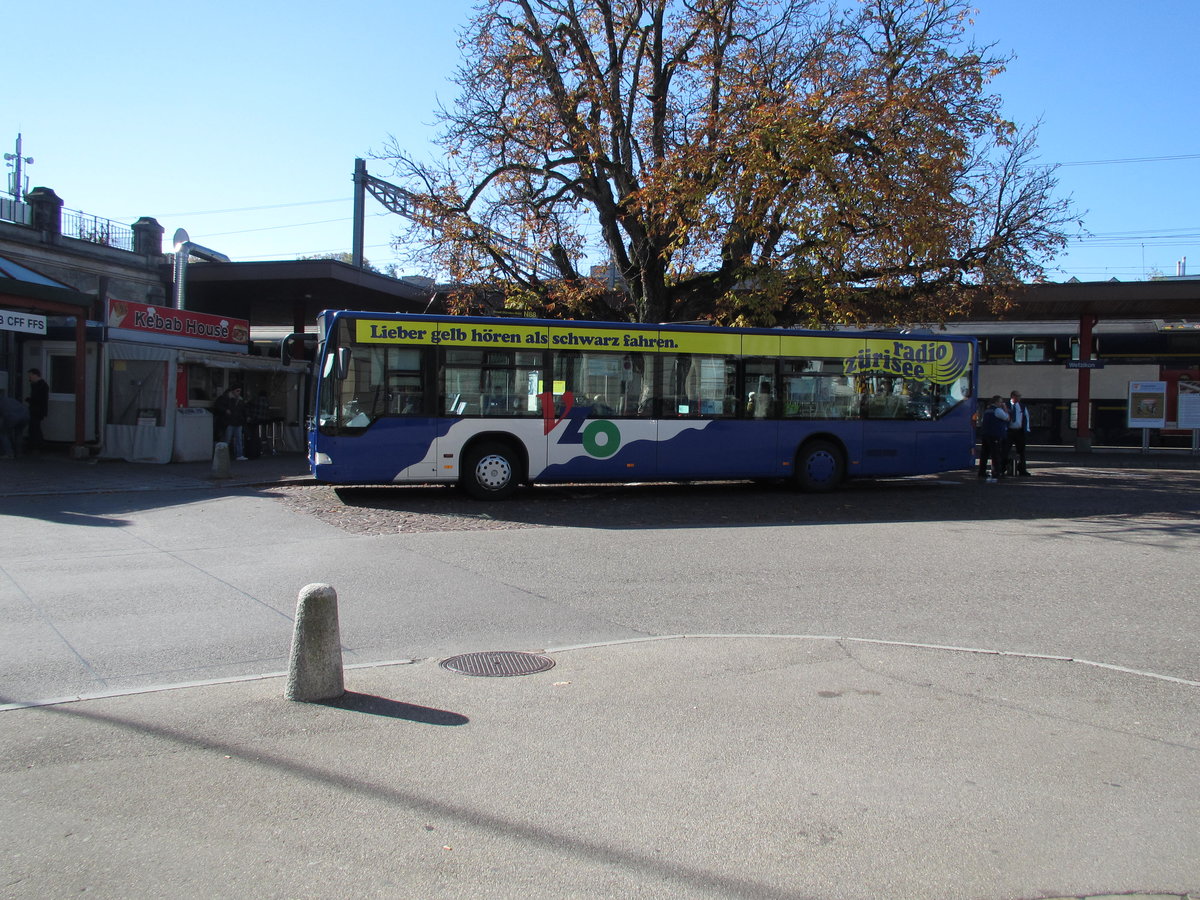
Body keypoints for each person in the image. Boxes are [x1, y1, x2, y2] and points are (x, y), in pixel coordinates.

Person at [978, 395, 1010, 483]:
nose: (1001, 403)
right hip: (995, 434)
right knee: (995, 454)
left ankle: (981, 471)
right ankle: (996, 472)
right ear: (996, 402)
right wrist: (1005, 408)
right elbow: (1007, 418)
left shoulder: (988, 410)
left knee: (984, 454)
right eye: (1000, 402)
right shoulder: (998, 410)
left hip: (986, 434)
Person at [214, 386, 248, 460]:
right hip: (229, 422)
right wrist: (225, 410)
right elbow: (218, 406)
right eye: (237, 391)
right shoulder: (226, 399)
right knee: (227, 439)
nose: (239, 393)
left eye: (239, 391)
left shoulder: (239, 400)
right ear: (232, 391)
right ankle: (224, 455)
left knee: (238, 439)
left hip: (237, 422)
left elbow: (243, 411)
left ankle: (239, 455)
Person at [1007, 390, 1031, 476]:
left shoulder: (1022, 406)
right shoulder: (1006, 405)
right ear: (1013, 396)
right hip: (1009, 431)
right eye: (1018, 396)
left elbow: (1026, 417)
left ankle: (1022, 469)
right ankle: (1002, 468)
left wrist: (1026, 429)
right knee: (1005, 450)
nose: (1020, 398)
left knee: (1021, 452)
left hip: (1019, 431)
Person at [25, 368, 49, 452]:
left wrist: (30, 400)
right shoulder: (42, 385)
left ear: (35, 375)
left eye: (30, 376)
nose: (30, 378)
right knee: (35, 427)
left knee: (34, 428)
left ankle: (37, 445)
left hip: (37, 410)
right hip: (38, 410)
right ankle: (38, 445)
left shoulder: (40, 385)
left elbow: (38, 398)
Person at [1, 394, 30, 458]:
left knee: (3, 433)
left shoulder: (2, 402)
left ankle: (9, 453)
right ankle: (19, 453)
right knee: (19, 434)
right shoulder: (8, 399)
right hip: (25, 415)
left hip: (12, 416)